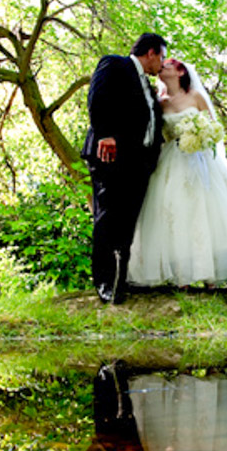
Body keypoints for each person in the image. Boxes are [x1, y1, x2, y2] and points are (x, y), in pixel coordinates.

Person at [128, 59, 227, 286]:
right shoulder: (159, 103)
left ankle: (211, 276)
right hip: (171, 161)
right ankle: (182, 277)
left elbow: (214, 129)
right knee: (175, 214)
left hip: (199, 161)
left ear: (180, 71)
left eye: (167, 65)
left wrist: (201, 136)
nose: (161, 67)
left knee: (205, 213)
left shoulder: (196, 97)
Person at [82, 33, 166, 304]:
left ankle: (121, 279)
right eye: (161, 57)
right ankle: (104, 283)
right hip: (110, 156)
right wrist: (105, 134)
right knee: (108, 218)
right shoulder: (115, 64)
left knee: (127, 223)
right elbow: (97, 98)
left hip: (138, 163)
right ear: (150, 53)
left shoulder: (148, 87)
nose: (161, 64)